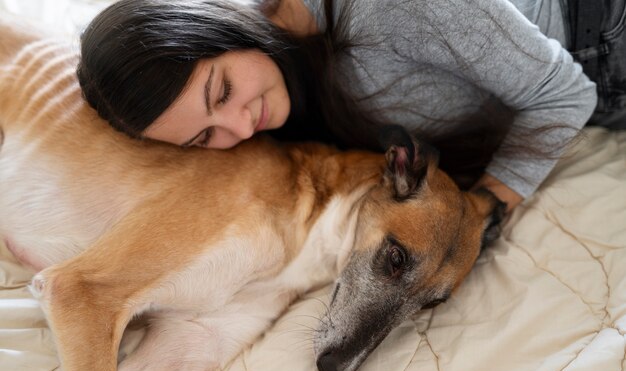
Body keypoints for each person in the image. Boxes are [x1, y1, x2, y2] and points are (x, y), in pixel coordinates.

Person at [77, 0, 623, 212]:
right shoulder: (289, 82)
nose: (239, 126)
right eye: (204, 137)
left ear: (219, 23)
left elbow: (564, 93)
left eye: (220, 93)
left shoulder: (382, 9)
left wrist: (479, 213)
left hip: (602, 37)